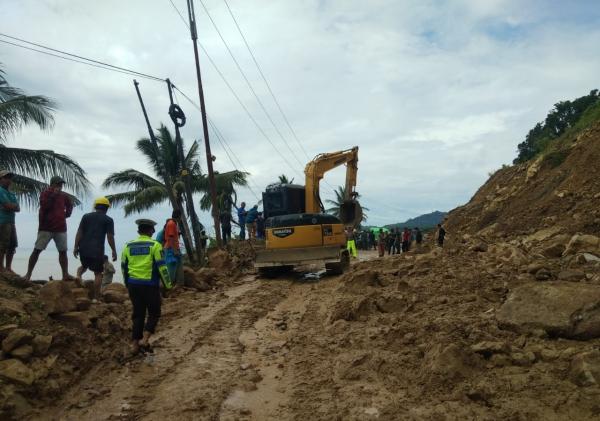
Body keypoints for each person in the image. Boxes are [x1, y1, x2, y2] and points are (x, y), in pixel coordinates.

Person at [121, 219, 172, 355]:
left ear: (138, 231)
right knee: (154, 312)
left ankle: (134, 345)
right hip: (150, 285)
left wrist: (127, 284)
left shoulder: (127, 246)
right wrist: (168, 284)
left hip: (133, 285)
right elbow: (162, 267)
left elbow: (124, 267)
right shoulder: (155, 245)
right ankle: (145, 339)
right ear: (151, 231)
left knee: (138, 314)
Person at [25, 176, 73, 281]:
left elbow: (70, 204)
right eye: (58, 184)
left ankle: (65, 274)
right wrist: (54, 195)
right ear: (52, 184)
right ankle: (28, 274)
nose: (60, 186)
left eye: (61, 184)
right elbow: (44, 205)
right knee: (37, 250)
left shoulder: (63, 196)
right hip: (46, 228)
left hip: (60, 228)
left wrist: (67, 214)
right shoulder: (45, 193)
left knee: (63, 251)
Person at [73, 197, 117, 302]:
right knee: (98, 273)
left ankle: (78, 277)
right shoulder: (108, 220)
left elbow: (79, 232)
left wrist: (75, 246)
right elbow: (110, 236)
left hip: (83, 248)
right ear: (106, 208)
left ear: (95, 206)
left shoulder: (86, 217)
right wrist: (114, 250)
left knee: (83, 267)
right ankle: (96, 297)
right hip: (97, 250)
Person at [0, 170, 19, 274]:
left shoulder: (11, 194)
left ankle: (8, 267)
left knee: (12, 245)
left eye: (9, 178)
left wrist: (10, 206)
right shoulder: (0, 191)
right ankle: (1, 268)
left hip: (11, 222)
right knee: (3, 245)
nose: (8, 180)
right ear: (1, 179)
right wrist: (11, 206)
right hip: (2, 221)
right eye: (6, 178)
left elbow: (18, 208)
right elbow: (8, 206)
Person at [163, 210, 182, 285]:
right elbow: (170, 238)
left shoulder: (173, 224)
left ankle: (175, 284)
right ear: (179, 216)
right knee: (171, 268)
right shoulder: (171, 224)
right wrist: (174, 250)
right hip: (170, 248)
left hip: (172, 248)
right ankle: (169, 285)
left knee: (175, 267)